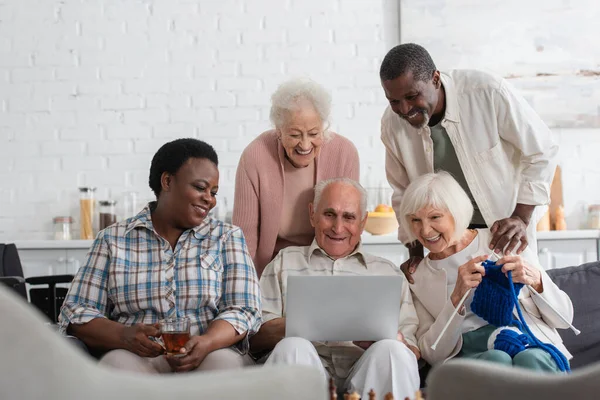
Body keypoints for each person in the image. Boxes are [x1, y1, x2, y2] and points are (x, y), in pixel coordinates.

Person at [58, 138, 262, 374]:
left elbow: (244, 309)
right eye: (200, 187)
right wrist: (123, 335)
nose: (210, 199)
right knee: (117, 365)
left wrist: (207, 342)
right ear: (167, 181)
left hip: (209, 353)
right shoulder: (112, 239)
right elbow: (76, 311)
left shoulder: (226, 237)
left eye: (213, 192)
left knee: (223, 366)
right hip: (137, 357)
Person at [379, 43, 558, 282]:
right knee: (454, 312)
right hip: (444, 241)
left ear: (435, 79)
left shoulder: (487, 92)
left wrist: (521, 217)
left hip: (503, 234)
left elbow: (542, 150)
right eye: (394, 101)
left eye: (412, 97)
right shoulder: (392, 124)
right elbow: (403, 192)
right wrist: (415, 252)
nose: (404, 109)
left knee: (517, 306)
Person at [251, 178, 420, 399]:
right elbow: (254, 339)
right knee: (292, 346)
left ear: (362, 222)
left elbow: (413, 352)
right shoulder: (284, 263)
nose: (338, 228)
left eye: (349, 217)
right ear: (312, 214)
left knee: (394, 351)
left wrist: (392, 339)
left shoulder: (388, 272)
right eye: (329, 215)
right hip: (307, 372)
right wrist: (302, 323)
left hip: (366, 371)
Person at [399, 171, 573, 371]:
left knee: (531, 360)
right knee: (496, 361)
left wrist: (536, 280)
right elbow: (431, 353)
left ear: (456, 212)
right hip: (470, 355)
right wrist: (456, 298)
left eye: (435, 217)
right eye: (415, 220)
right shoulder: (417, 276)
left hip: (528, 342)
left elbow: (565, 319)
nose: (426, 230)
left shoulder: (502, 240)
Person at [233, 78, 360, 277]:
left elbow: (348, 228)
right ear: (279, 131)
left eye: (313, 133)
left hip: (328, 266)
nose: (305, 144)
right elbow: (243, 238)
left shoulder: (344, 153)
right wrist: (246, 290)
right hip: (271, 270)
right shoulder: (255, 156)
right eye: (294, 135)